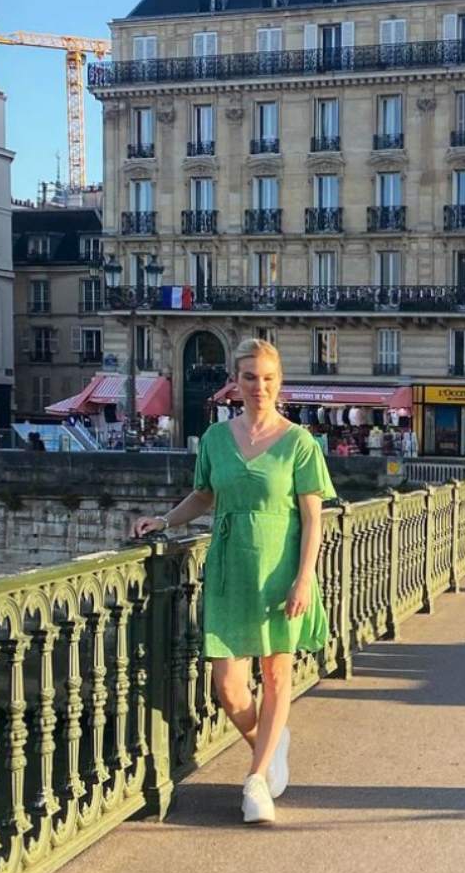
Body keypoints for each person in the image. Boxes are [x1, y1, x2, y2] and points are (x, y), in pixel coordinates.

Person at [132, 339, 334, 827]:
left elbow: (312, 520)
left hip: (279, 570)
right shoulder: (217, 439)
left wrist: (303, 579)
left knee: (276, 676)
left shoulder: (300, 443)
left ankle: (257, 779)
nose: (259, 386)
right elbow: (203, 496)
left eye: (267, 377)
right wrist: (164, 520)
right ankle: (271, 738)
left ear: (278, 382)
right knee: (228, 686)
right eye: (249, 377)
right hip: (227, 568)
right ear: (236, 382)